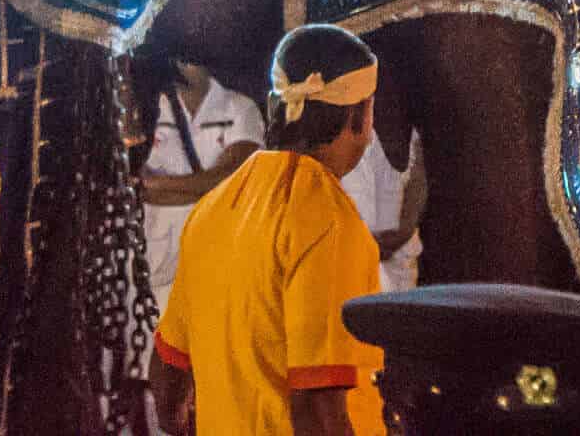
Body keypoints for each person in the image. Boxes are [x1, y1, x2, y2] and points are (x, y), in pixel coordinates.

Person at [152, 24, 386, 436]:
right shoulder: (327, 219)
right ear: (359, 116)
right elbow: (318, 406)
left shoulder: (214, 206)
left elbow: (169, 385)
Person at [139, 56, 266, 320]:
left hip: (218, 265)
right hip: (155, 267)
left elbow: (238, 176)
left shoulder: (239, 108)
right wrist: (210, 189)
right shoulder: (149, 108)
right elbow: (138, 186)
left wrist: (160, 185)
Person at [336, 81, 426, 293]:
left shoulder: (407, 128)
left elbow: (418, 187)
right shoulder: (336, 133)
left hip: (399, 261)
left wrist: (398, 235)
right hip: (350, 259)